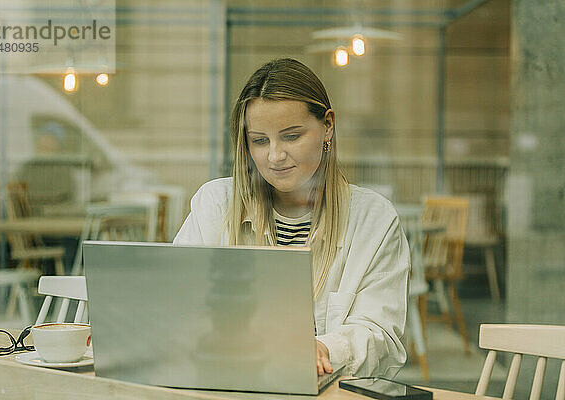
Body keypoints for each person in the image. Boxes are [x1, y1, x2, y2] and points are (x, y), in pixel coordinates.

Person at [174, 58, 410, 378]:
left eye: (291, 136)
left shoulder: (374, 220)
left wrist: (326, 348)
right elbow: (176, 304)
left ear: (328, 126)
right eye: (259, 140)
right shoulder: (214, 205)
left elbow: (379, 334)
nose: (274, 156)